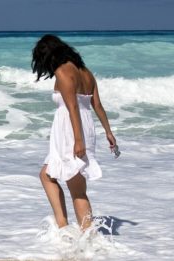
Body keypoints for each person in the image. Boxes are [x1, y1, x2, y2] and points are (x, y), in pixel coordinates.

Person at [32, 34, 117, 232]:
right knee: (58, 179)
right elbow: (97, 105)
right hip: (85, 127)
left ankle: (75, 234)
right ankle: (78, 233)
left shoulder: (63, 72)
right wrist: (108, 132)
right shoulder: (86, 73)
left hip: (72, 131)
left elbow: (72, 108)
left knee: (69, 184)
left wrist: (78, 141)